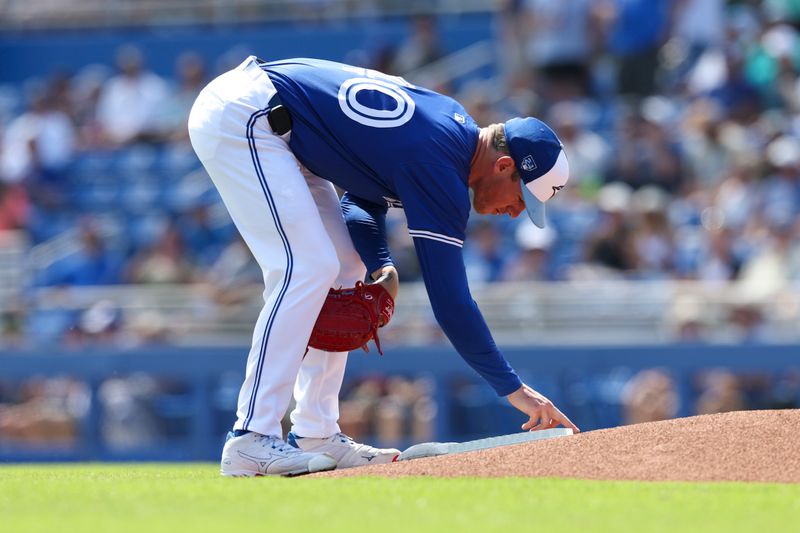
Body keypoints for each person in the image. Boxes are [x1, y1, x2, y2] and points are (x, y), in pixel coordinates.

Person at [188, 55, 577, 477]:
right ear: (504, 166)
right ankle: (251, 435)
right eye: (521, 199)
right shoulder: (441, 163)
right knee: (306, 267)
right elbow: (450, 302)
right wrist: (513, 389)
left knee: (343, 269)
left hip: (284, 129)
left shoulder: (452, 135)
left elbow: (358, 202)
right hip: (248, 112)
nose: (517, 213)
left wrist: (380, 265)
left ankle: (317, 432)